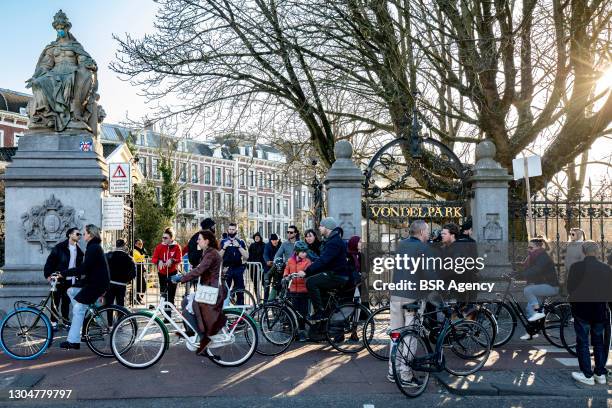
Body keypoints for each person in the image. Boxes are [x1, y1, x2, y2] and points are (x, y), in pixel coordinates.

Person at [388, 220, 436, 386]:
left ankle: (392, 371)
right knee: (410, 335)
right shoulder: (423, 248)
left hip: (396, 293)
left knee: (396, 334)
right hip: (412, 296)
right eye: (428, 231)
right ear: (422, 232)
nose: (429, 233)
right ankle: (405, 375)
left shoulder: (401, 245)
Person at [172, 230, 227, 355]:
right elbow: (200, 269)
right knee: (185, 301)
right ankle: (191, 331)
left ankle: (204, 338)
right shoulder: (208, 252)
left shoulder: (211, 254)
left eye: (199, 239)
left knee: (188, 307)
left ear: (206, 241)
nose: (197, 241)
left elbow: (200, 270)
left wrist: (182, 278)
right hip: (208, 289)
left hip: (212, 291)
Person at [566, 241, 612, 385]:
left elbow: (570, 288)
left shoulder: (576, 267)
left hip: (581, 310)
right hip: (599, 311)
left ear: (583, 251)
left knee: (583, 342)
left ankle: (587, 374)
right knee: (599, 342)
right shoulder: (606, 269)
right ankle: (600, 373)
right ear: (598, 252)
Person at [60, 224, 110, 349]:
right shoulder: (93, 247)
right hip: (95, 283)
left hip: (96, 285)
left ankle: (73, 341)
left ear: (91, 234)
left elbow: (84, 269)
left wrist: (64, 273)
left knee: (77, 309)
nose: (83, 235)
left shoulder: (93, 248)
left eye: (85, 233)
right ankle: (85, 315)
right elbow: (89, 271)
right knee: (71, 291)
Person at [304, 217, 349, 321]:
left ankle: (319, 312)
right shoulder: (332, 240)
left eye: (321, 226)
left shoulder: (334, 242)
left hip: (337, 275)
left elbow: (324, 260)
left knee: (310, 282)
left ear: (327, 227)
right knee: (318, 286)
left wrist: (307, 271)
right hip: (335, 273)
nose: (319, 228)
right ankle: (325, 318)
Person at [43, 227, 84, 330]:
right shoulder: (60, 247)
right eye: (77, 234)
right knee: (55, 301)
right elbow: (50, 261)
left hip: (71, 280)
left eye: (80, 234)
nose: (79, 236)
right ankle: (53, 322)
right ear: (70, 234)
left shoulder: (79, 251)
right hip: (58, 279)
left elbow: (79, 266)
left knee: (66, 302)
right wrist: (48, 275)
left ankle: (65, 321)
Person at [520, 237, 559, 334]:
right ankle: (536, 327)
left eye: (530, 247)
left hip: (551, 286)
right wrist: (516, 273)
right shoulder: (533, 257)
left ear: (538, 247)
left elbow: (536, 270)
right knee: (529, 308)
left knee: (528, 290)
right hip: (542, 285)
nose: (528, 249)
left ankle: (537, 319)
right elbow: (530, 269)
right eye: (528, 247)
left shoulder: (542, 256)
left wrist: (521, 275)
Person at [283, 241, 312, 342]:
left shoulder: (307, 261)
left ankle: (302, 331)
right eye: (302, 252)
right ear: (296, 252)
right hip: (293, 290)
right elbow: (287, 269)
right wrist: (286, 276)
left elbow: (309, 271)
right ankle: (294, 331)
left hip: (303, 290)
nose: (304, 253)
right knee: (293, 311)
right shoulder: (290, 260)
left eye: (305, 252)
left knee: (302, 312)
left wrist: (304, 274)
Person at [151, 228, 182, 311]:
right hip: (162, 273)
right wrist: (158, 261)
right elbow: (153, 259)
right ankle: (165, 315)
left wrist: (172, 260)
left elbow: (179, 259)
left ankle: (169, 315)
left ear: (171, 238)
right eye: (163, 238)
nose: (163, 239)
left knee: (171, 295)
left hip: (173, 272)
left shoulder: (176, 247)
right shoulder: (159, 247)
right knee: (164, 294)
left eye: (166, 238)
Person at [219, 223, 248, 305]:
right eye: (230, 229)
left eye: (233, 229)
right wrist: (224, 247)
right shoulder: (223, 241)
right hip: (227, 269)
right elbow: (218, 256)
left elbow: (246, 256)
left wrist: (238, 246)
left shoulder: (241, 242)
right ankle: (224, 311)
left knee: (240, 290)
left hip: (238, 268)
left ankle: (240, 312)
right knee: (225, 292)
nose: (231, 231)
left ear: (236, 230)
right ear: (228, 230)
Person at [105, 239, 136, 310]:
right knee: (120, 306)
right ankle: (120, 320)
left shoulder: (109, 255)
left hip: (110, 284)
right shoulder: (129, 258)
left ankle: (110, 321)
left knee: (109, 306)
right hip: (122, 285)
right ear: (124, 246)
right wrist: (127, 280)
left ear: (116, 245)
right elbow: (133, 273)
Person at [263, 233, 282, 301]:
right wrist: (267, 261)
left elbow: (282, 254)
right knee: (266, 286)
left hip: (278, 268)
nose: (274, 241)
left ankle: (276, 303)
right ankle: (265, 303)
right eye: (273, 240)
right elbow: (265, 254)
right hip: (268, 268)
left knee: (277, 286)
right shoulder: (267, 245)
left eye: (276, 240)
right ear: (270, 240)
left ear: (278, 240)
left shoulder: (281, 245)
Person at [133, 239, 147, 304]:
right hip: (137, 271)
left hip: (141, 270)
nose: (141, 245)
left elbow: (142, 260)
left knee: (142, 285)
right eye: (139, 244)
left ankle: (139, 299)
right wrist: (144, 255)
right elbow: (138, 258)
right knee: (140, 285)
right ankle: (137, 299)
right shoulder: (134, 251)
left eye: (141, 244)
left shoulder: (140, 251)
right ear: (135, 244)